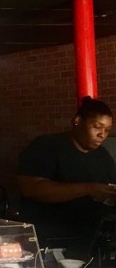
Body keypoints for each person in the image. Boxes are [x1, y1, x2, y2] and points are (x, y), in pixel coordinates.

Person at [17, 96, 116, 255]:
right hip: (50, 242)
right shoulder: (47, 145)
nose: (102, 135)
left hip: (89, 241)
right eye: (97, 127)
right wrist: (88, 189)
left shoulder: (102, 156)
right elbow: (31, 188)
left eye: (107, 130)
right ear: (77, 121)